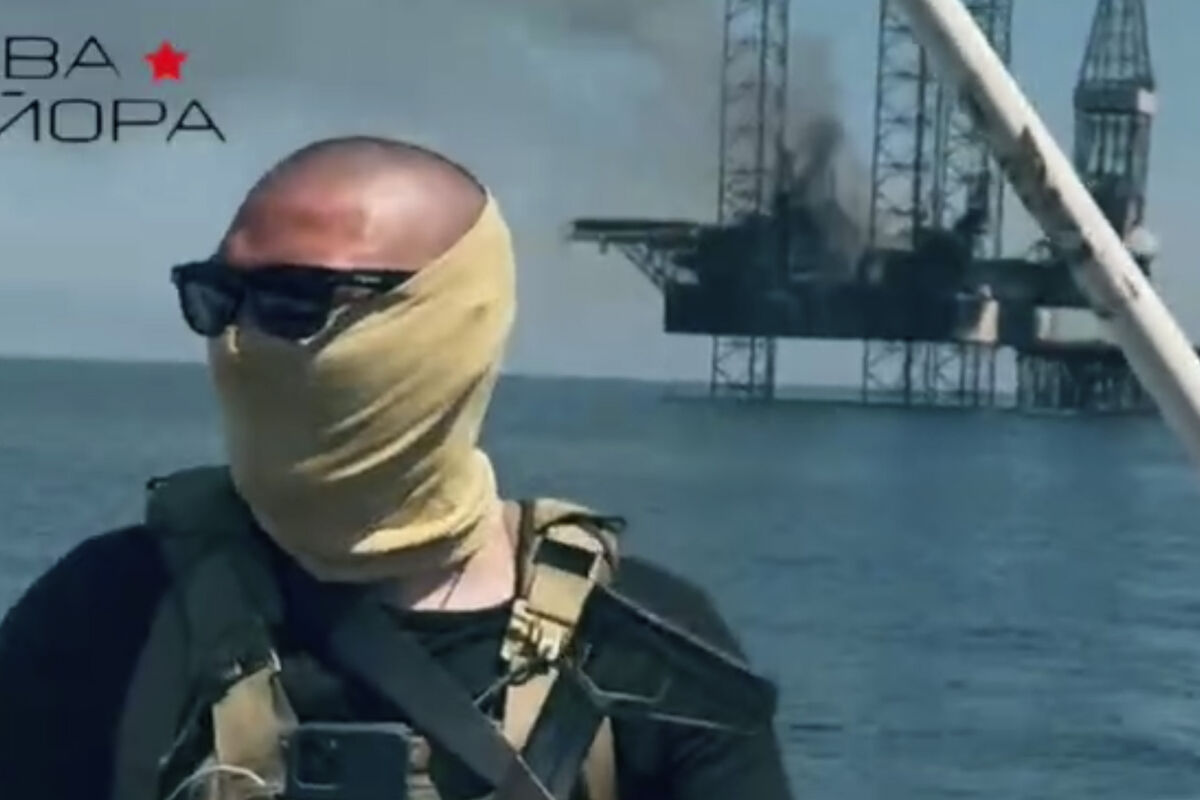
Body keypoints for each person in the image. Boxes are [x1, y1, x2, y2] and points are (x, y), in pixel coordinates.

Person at [0, 136, 793, 800]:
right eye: (217, 297)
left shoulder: (645, 657)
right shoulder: (107, 614)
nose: (241, 341)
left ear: (451, 321)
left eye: (294, 303)